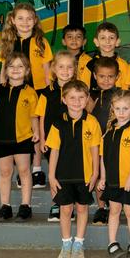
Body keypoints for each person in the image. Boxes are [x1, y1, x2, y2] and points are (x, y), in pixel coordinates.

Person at [0, 3, 53, 188]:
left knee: (35, 131)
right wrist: (2, 91)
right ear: (13, 20)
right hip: (15, 92)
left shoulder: (41, 42)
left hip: (37, 92)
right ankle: (23, 170)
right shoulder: (7, 43)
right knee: (20, 130)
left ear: (35, 20)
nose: (25, 22)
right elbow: (3, 69)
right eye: (20, 18)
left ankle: (36, 169)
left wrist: (49, 91)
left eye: (29, 18)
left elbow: (47, 70)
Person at [46, 80, 101, 258]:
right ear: (64, 100)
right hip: (63, 175)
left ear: (86, 100)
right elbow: (54, 150)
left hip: (84, 175)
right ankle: (66, 243)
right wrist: (52, 176)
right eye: (72, 98)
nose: (76, 102)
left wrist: (95, 173)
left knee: (82, 208)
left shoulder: (92, 122)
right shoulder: (57, 123)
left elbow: (95, 150)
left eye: (81, 98)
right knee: (65, 210)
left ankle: (79, 243)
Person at [0, 52, 39, 222]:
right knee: (5, 171)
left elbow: (33, 116)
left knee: (24, 171)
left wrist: (36, 132)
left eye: (20, 66)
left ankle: (25, 206)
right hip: (1, 138)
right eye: (11, 66)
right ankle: (5, 205)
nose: (15, 70)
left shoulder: (30, 92)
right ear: (6, 70)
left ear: (27, 70)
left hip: (23, 138)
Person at [99, 90, 130, 258]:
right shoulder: (109, 132)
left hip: (129, 181)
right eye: (118, 109)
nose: (122, 112)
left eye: (125, 108)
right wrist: (103, 178)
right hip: (112, 181)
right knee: (114, 210)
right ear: (112, 108)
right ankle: (112, 242)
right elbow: (103, 157)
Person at [34, 51, 77, 221]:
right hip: (52, 142)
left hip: (72, 141)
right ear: (53, 69)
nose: (65, 71)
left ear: (74, 69)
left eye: (69, 67)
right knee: (55, 173)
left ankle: (69, 205)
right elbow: (42, 117)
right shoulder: (46, 93)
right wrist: (43, 139)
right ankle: (57, 204)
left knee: (69, 173)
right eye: (61, 67)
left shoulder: (78, 90)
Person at [87, 57, 121, 224]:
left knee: (112, 174)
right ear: (94, 75)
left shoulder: (120, 95)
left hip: (114, 142)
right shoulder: (90, 95)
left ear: (117, 76)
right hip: (94, 143)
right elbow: (86, 116)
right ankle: (101, 208)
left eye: (110, 76)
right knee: (98, 174)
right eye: (101, 76)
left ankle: (114, 205)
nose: (106, 80)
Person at [88, 22, 130, 90]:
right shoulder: (90, 65)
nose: (107, 41)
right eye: (103, 38)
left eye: (111, 38)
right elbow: (84, 89)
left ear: (117, 42)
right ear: (96, 42)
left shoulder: (125, 66)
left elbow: (126, 91)